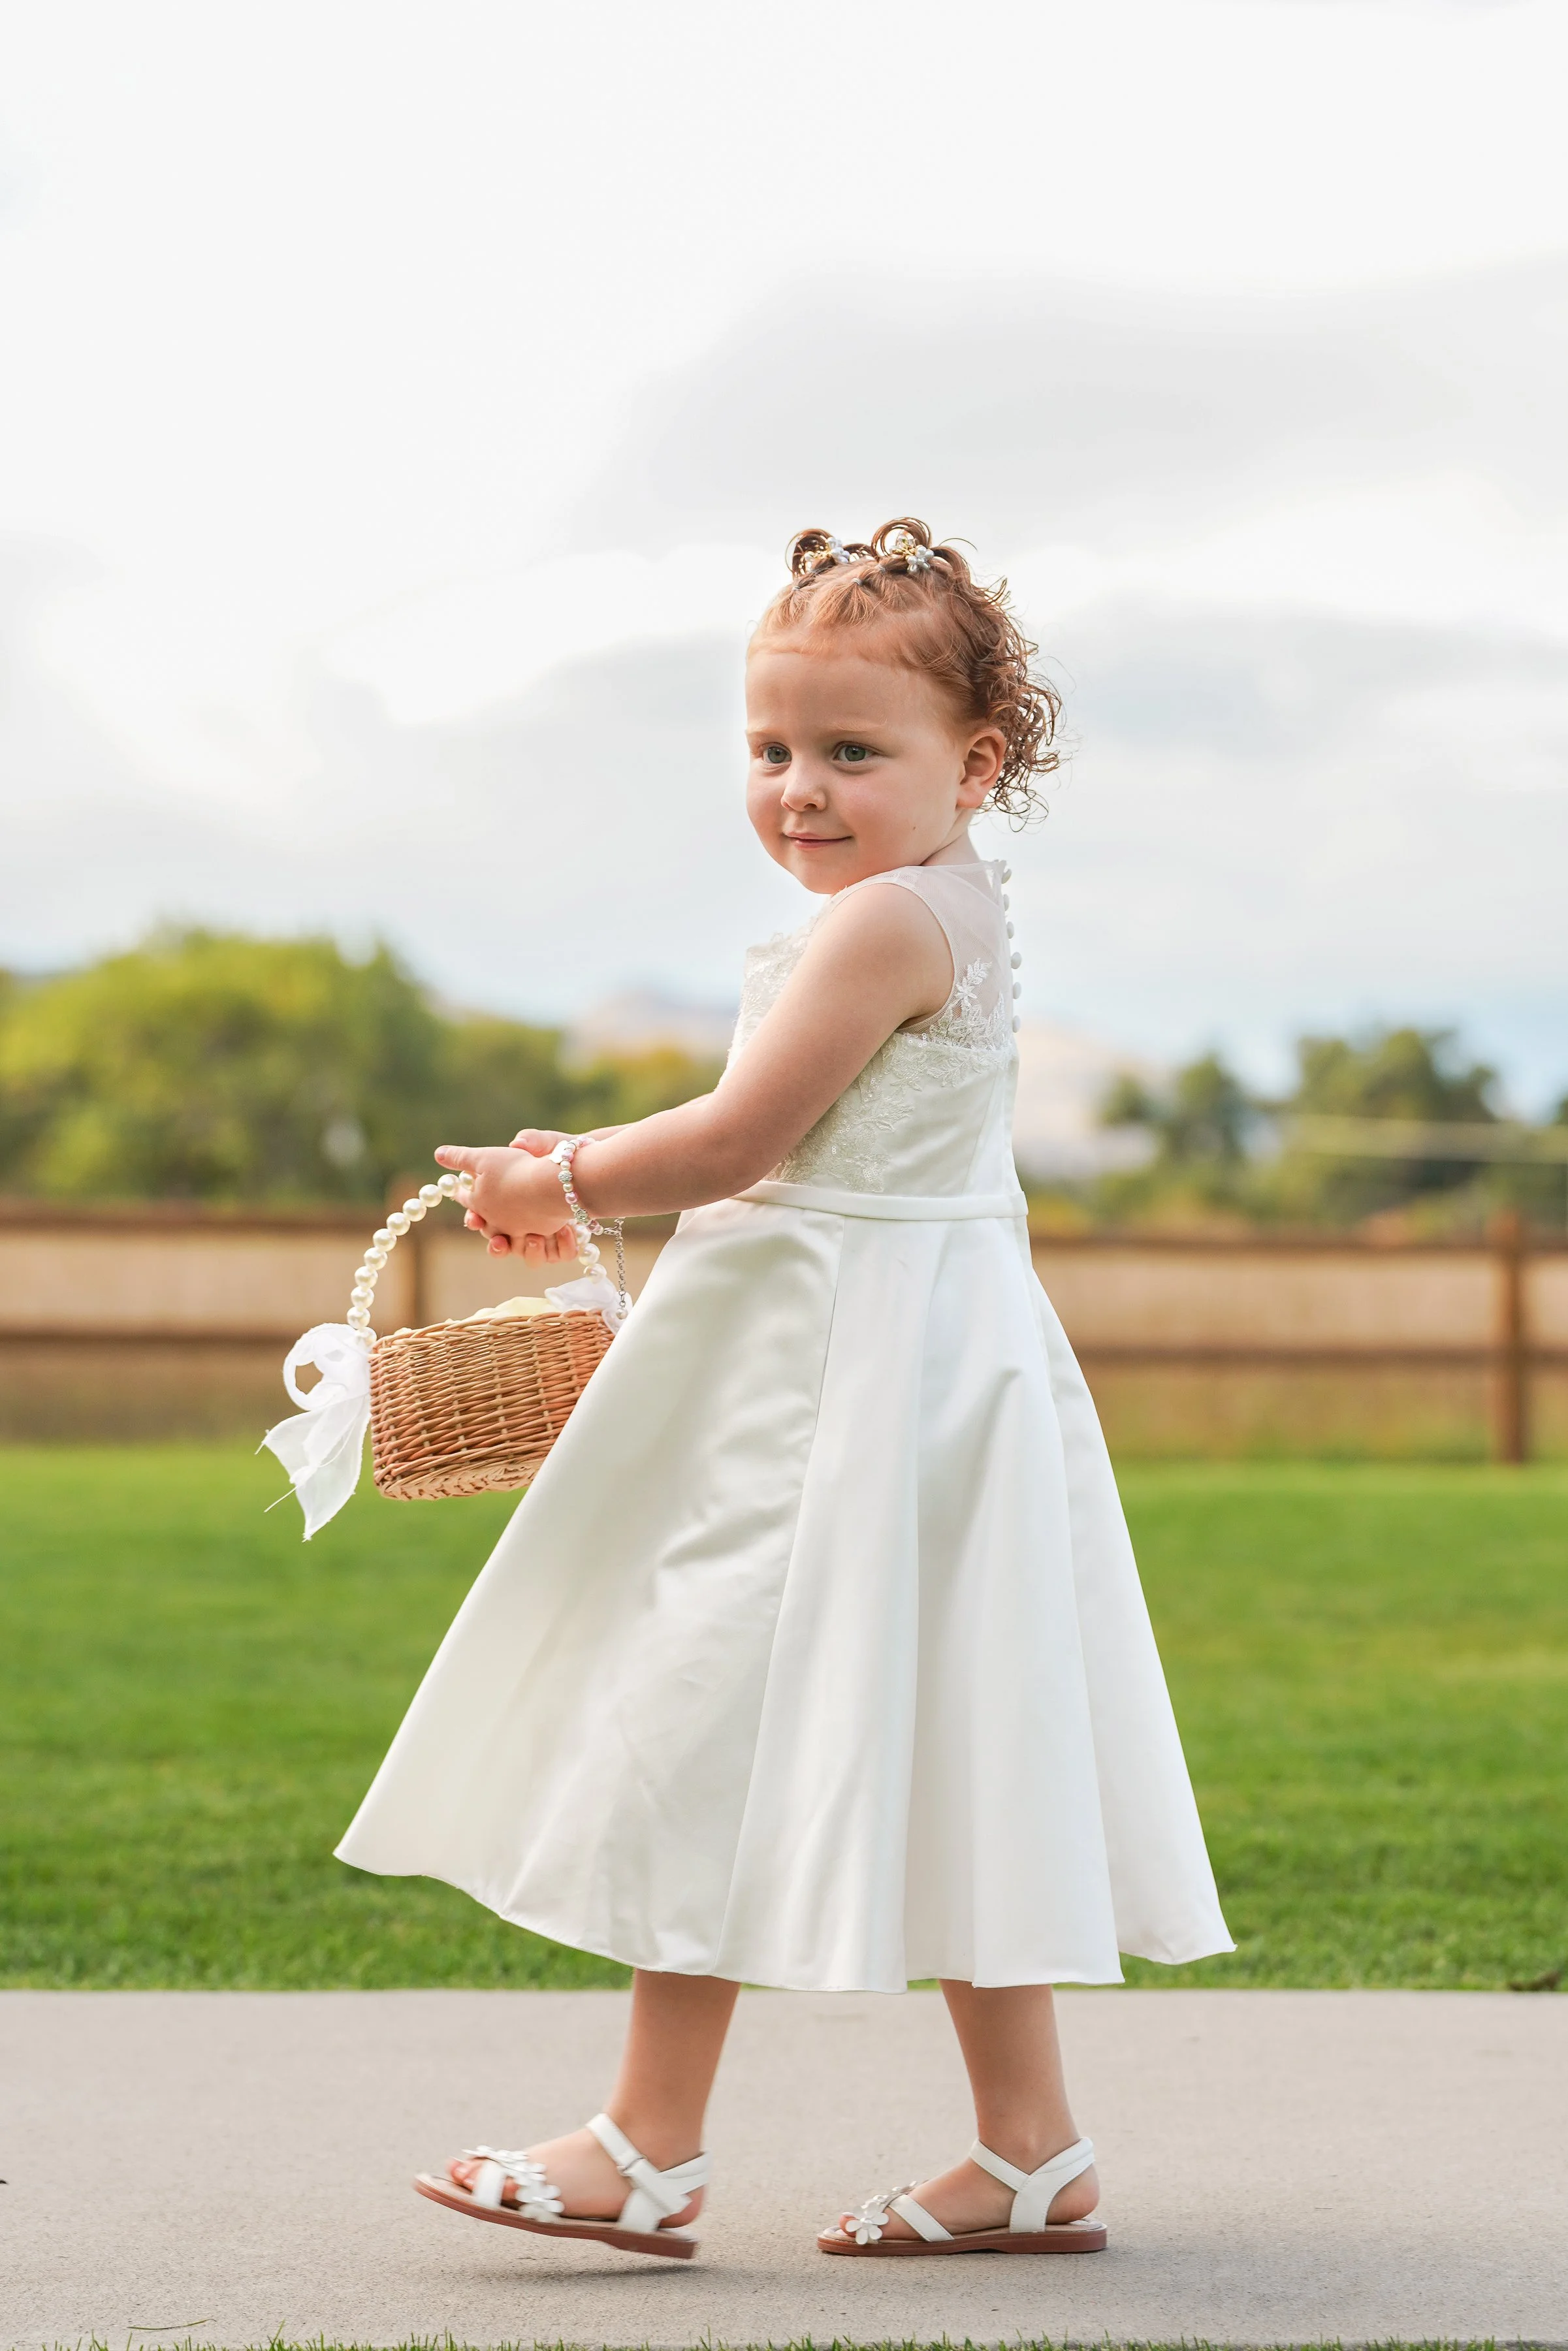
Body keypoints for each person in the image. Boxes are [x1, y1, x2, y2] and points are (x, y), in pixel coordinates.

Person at [336, 518, 1232, 2262]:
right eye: (769, 749)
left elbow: (749, 1136)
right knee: (958, 1731)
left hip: (831, 1387)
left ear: (974, 765)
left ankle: (645, 2148)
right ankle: (1029, 2151)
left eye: (850, 752)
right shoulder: (940, 901)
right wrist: (588, 1168)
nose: (798, 790)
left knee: (708, 1720)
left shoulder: (886, 923)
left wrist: (559, 1180)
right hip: (916, 1367)